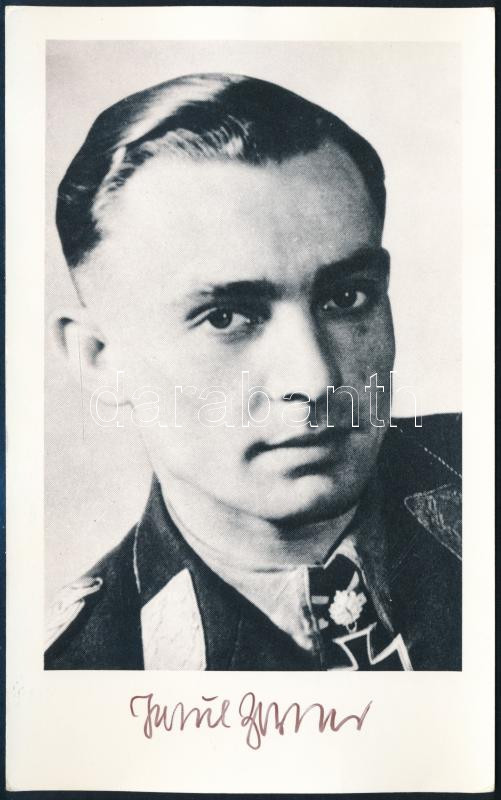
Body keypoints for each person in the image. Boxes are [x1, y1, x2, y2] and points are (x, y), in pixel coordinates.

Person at [45, 73, 461, 671]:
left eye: (347, 298)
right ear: (100, 358)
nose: (315, 381)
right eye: (226, 317)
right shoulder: (88, 670)